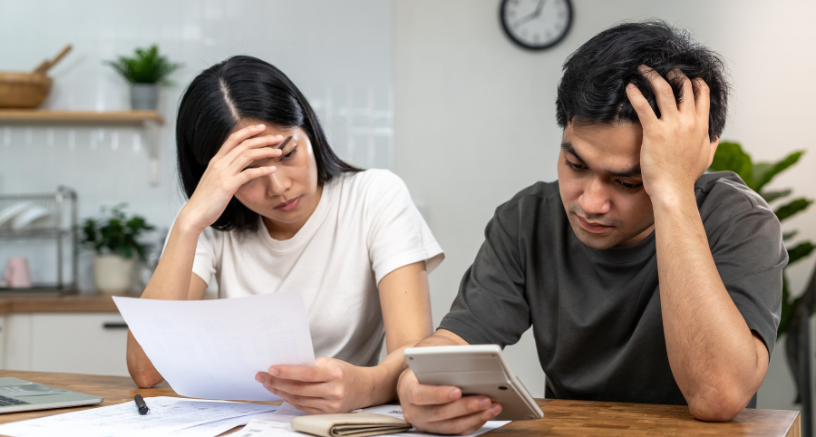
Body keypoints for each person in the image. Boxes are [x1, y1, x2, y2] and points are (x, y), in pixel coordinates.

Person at [397, 21, 785, 434]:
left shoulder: (739, 221)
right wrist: (415, 387)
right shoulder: (528, 218)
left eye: (629, 182)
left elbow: (717, 395)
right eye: (576, 165)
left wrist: (672, 191)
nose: (590, 203)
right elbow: (453, 344)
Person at [126, 56, 444, 414]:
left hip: (343, 422)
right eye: (247, 172)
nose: (278, 187)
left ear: (308, 128)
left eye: (287, 152)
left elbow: (413, 352)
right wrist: (188, 223)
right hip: (241, 420)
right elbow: (146, 370)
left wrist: (364, 387)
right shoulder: (209, 222)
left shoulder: (375, 196)